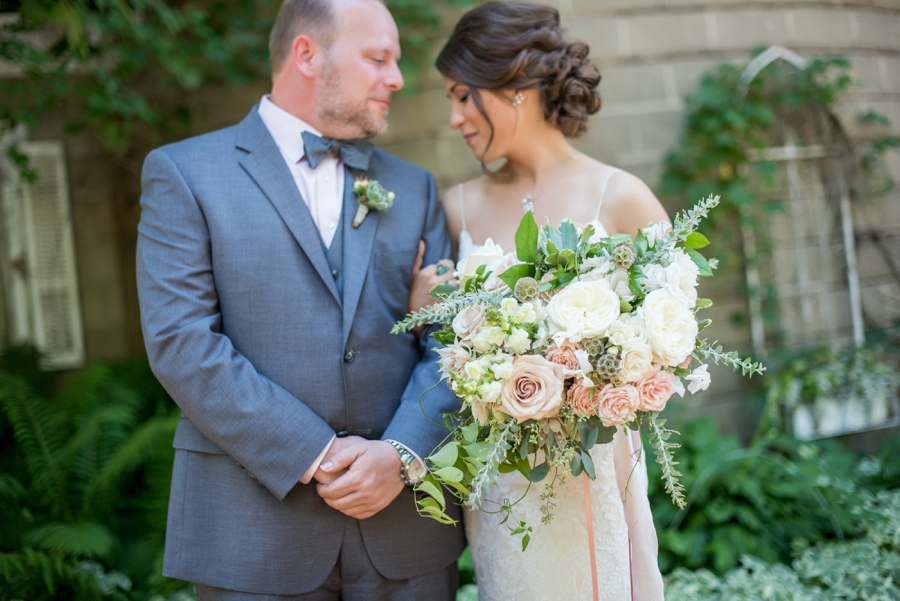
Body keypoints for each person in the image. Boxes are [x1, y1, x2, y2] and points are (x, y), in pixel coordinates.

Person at [135, 0, 465, 598]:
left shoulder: (411, 187)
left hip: (405, 532)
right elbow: (180, 344)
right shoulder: (185, 175)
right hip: (253, 531)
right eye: (377, 58)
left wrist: (400, 454)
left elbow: (455, 341)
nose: (396, 77)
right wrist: (315, 452)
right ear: (307, 55)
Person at [410, 2, 666, 599]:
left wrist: (598, 384)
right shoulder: (457, 207)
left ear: (515, 88)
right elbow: (435, 362)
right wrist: (423, 315)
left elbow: (673, 351)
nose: (453, 118)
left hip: (597, 485)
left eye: (461, 95)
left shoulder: (622, 198)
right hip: (502, 491)